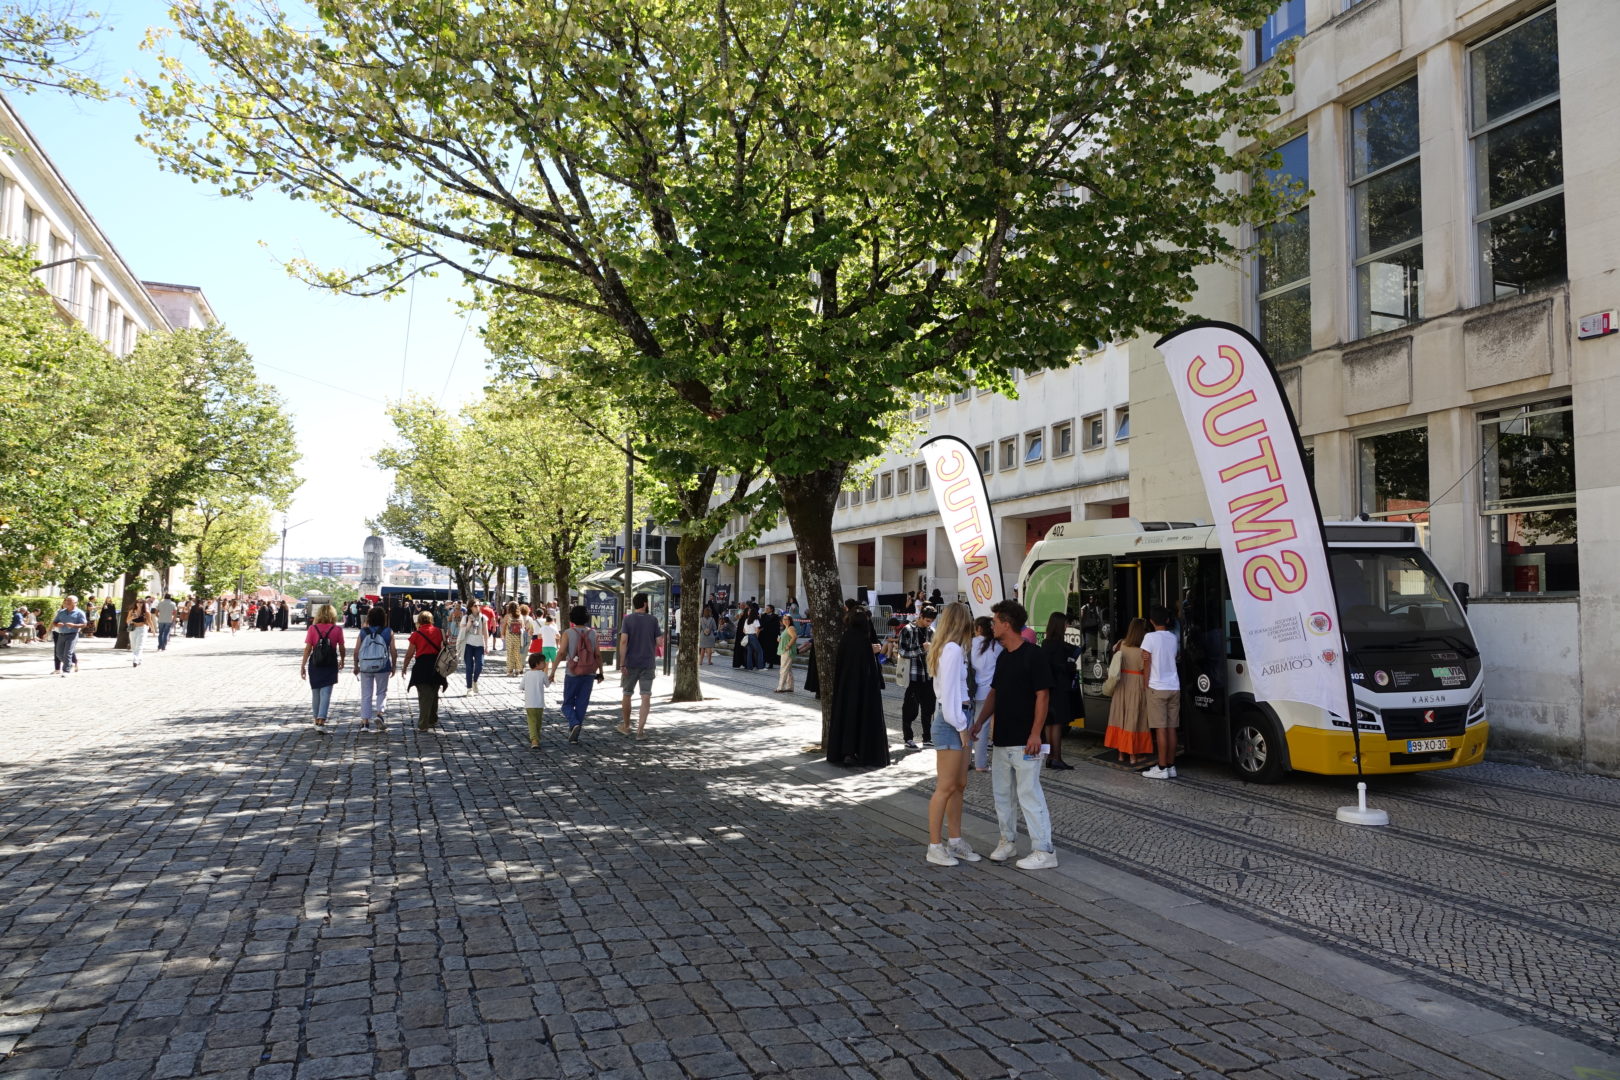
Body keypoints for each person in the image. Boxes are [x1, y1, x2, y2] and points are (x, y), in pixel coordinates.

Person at [968, 599, 1057, 870]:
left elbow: (1043, 696)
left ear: (1007, 624)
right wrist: (980, 722)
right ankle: (1007, 841)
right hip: (1002, 738)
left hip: (1026, 740)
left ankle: (1044, 850)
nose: (992, 625)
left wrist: (1035, 734)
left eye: (995, 621)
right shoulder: (1003, 656)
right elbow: (994, 693)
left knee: (1029, 794)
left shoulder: (1034, 655)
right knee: (1002, 794)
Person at [924, 603, 981, 866]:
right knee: (946, 786)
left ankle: (955, 841)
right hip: (952, 721)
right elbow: (948, 698)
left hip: (958, 718)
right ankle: (935, 846)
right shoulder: (953, 650)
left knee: (958, 784)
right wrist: (961, 727)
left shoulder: (952, 648)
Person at [825, 609, 889, 768]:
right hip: (863, 690)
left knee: (848, 717)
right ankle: (861, 752)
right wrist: (871, 650)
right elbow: (866, 667)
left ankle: (846, 751)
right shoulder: (862, 641)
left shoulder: (846, 637)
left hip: (846, 690)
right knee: (862, 716)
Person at [1104, 618, 1155, 768]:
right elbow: (1147, 671)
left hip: (1121, 685)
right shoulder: (1143, 650)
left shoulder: (1121, 644)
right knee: (1134, 720)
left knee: (1121, 718)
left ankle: (1121, 754)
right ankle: (1133, 756)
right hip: (1136, 685)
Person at [1141, 605, 1181, 780]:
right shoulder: (1173, 637)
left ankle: (1162, 767)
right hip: (1174, 687)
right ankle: (1171, 766)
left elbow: (1146, 664)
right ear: (1167, 620)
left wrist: (1145, 686)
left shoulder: (1149, 637)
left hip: (1157, 687)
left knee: (1160, 729)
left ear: (1151, 621)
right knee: (1172, 728)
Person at [616, 592, 663, 737]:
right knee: (646, 696)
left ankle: (626, 726)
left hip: (630, 663)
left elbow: (623, 641)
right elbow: (659, 642)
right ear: (645, 603)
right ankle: (640, 731)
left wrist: (622, 663)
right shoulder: (653, 620)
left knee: (627, 694)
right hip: (648, 663)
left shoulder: (627, 619)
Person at [1039, 612, 1078, 770]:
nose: (1067, 626)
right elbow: (1064, 668)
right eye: (1065, 624)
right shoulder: (1061, 646)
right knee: (1057, 724)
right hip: (1060, 688)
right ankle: (1057, 757)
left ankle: (1050, 758)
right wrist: (1070, 666)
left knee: (1049, 723)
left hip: (1049, 688)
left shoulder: (1046, 644)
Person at [559, 605, 602, 743]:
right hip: (589, 673)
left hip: (572, 672)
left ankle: (574, 723)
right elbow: (598, 655)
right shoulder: (593, 633)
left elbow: (561, 653)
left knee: (567, 704)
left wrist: (552, 671)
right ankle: (575, 733)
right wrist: (601, 672)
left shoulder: (568, 633)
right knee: (582, 704)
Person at [897, 607, 937, 749]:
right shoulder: (908, 629)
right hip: (913, 675)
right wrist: (921, 649)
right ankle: (908, 738)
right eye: (927, 620)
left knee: (929, 709)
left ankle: (927, 737)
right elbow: (902, 651)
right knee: (910, 709)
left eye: (931, 621)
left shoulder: (932, 631)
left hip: (929, 675)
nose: (929, 623)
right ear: (920, 616)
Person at [300, 604, 345, 729]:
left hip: (315, 663)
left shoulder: (312, 628)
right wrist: (342, 660)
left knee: (315, 692)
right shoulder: (337, 629)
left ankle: (316, 719)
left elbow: (308, 649)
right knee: (326, 692)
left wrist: (303, 665)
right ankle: (321, 719)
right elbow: (342, 647)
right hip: (330, 662)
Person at [353, 606, 397, 732]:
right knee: (381, 692)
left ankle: (365, 723)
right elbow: (393, 650)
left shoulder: (363, 632)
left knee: (366, 694)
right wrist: (394, 665)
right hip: (383, 666)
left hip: (366, 666)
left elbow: (356, 651)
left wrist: (356, 665)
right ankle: (379, 714)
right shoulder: (388, 631)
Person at [401, 611, 447, 731]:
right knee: (434, 693)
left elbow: (409, 653)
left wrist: (404, 667)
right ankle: (432, 718)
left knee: (424, 696)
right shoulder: (439, 631)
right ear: (431, 620)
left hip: (422, 666)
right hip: (437, 666)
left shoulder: (417, 634)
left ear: (419, 621)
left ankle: (423, 724)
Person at [968, 616, 1002, 772]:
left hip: (970, 690)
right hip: (989, 691)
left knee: (968, 725)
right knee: (982, 727)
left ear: (979, 628)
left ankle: (965, 760)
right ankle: (980, 763)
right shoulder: (997, 646)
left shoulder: (970, 643)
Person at [50, 596, 88, 676]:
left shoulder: (79, 613)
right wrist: (57, 624)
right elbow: (54, 622)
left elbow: (84, 624)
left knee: (68, 653)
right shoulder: (61, 612)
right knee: (58, 653)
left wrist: (74, 625)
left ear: (75, 603)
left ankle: (66, 671)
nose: (67, 602)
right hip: (61, 634)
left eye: (70, 601)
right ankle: (70, 664)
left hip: (72, 635)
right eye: (67, 600)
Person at [459, 604, 489, 694]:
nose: (477, 607)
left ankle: (474, 681)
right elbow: (462, 631)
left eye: (479, 605)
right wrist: (469, 623)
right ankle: (469, 688)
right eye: (475, 605)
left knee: (480, 665)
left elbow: (485, 633)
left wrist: (487, 646)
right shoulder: (465, 617)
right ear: (470, 607)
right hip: (467, 644)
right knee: (469, 667)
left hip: (479, 645)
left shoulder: (483, 618)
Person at [523, 651, 549, 748]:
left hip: (529, 703)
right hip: (539, 703)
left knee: (531, 721)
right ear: (537, 664)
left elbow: (521, 686)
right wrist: (550, 678)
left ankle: (535, 739)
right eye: (543, 662)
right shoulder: (542, 674)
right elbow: (547, 684)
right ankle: (535, 738)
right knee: (538, 721)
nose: (545, 663)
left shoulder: (527, 674)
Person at [774, 615, 799, 692]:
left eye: (786, 619)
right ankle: (790, 687)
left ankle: (780, 687)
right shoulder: (786, 628)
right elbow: (788, 638)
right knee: (788, 670)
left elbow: (794, 637)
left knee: (783, 669)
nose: (785, 621)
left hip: (787, 651)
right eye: (783, 619)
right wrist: (780, 639)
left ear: (790, 620)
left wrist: (788, 646)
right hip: (784, 651)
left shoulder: (790, 628)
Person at [126, 600, 156, 666]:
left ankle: (135, 659)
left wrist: (153, 630)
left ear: (143, 604)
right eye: (138, 602)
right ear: (136, 603)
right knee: (133, 645)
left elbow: (149, 621)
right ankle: (139, 659)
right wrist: (132, 617)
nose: (139, 604)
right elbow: (127, 620)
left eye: (141, 603)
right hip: (133, 629)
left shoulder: (146, 612)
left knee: (139, 645)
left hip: (142, 629)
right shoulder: (132, 611)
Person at [741, 604, 763, 670]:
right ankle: (760, 667)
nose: (748, 612)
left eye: (749, 611)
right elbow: (757, 630)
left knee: (749, 652)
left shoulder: (746, 620)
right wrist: (756, 637)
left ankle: (749, 667)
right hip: (753, 636)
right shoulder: (756, 620)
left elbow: (743, 630)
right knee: (760, 651)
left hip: (747, 636)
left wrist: (748, 633)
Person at [759, 605, 781, 669]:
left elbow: (776, 626)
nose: (766, 609)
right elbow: (761, 624)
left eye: (767, 608)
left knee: (772, 650)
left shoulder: (775, 616)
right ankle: (764, 662)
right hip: (764, 635)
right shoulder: (763, 616)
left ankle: (771, 663)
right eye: (765, 608)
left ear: (771, 609)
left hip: (772, 636)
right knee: (765, 649)